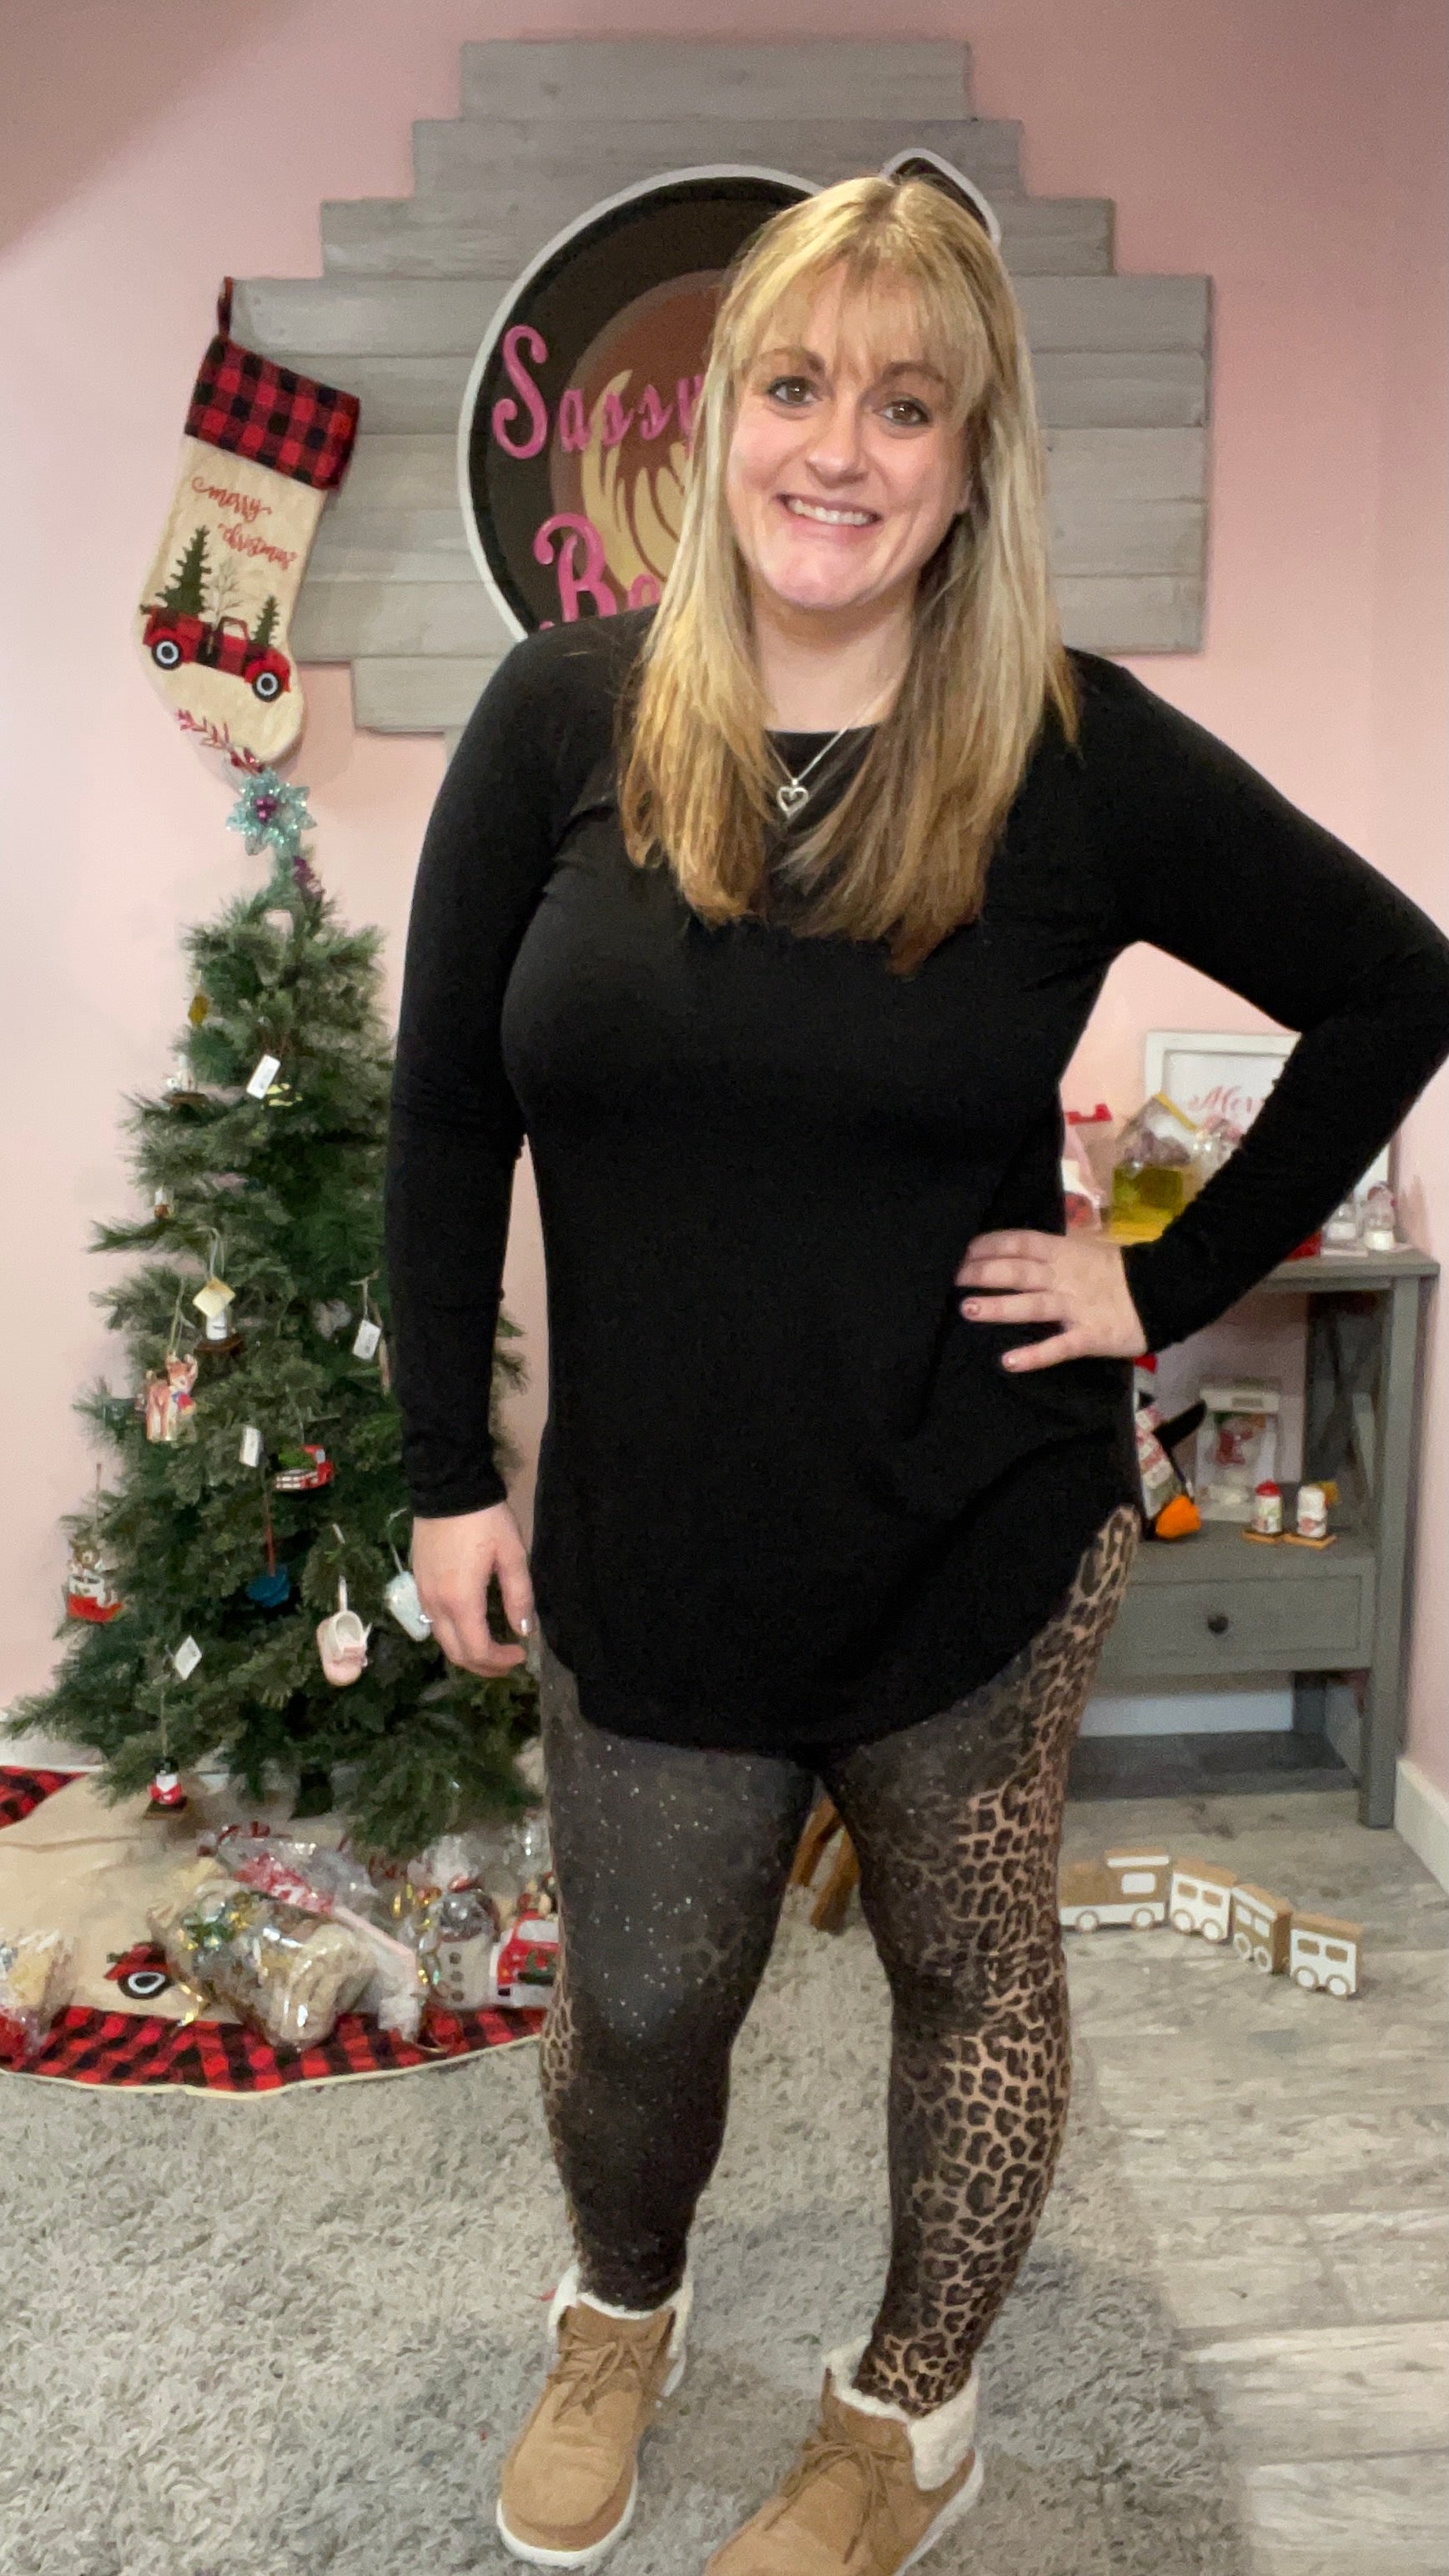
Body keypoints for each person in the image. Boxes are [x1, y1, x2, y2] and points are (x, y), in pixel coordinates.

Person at [384, 172, 1449, 2576]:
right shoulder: (559, 719)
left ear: (972, 459)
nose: (838, 450)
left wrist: (1164, 1278)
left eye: (904, 404)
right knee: (644, 2007)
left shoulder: (1066, 749)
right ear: (717, 423)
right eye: (793, 386)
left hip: (977, 1515)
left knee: (972, 1980)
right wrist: (446, 1467)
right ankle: (621, 2309)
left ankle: (908, 2417)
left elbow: (1399, 981)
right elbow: (448, 1109)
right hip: (655, 1525)